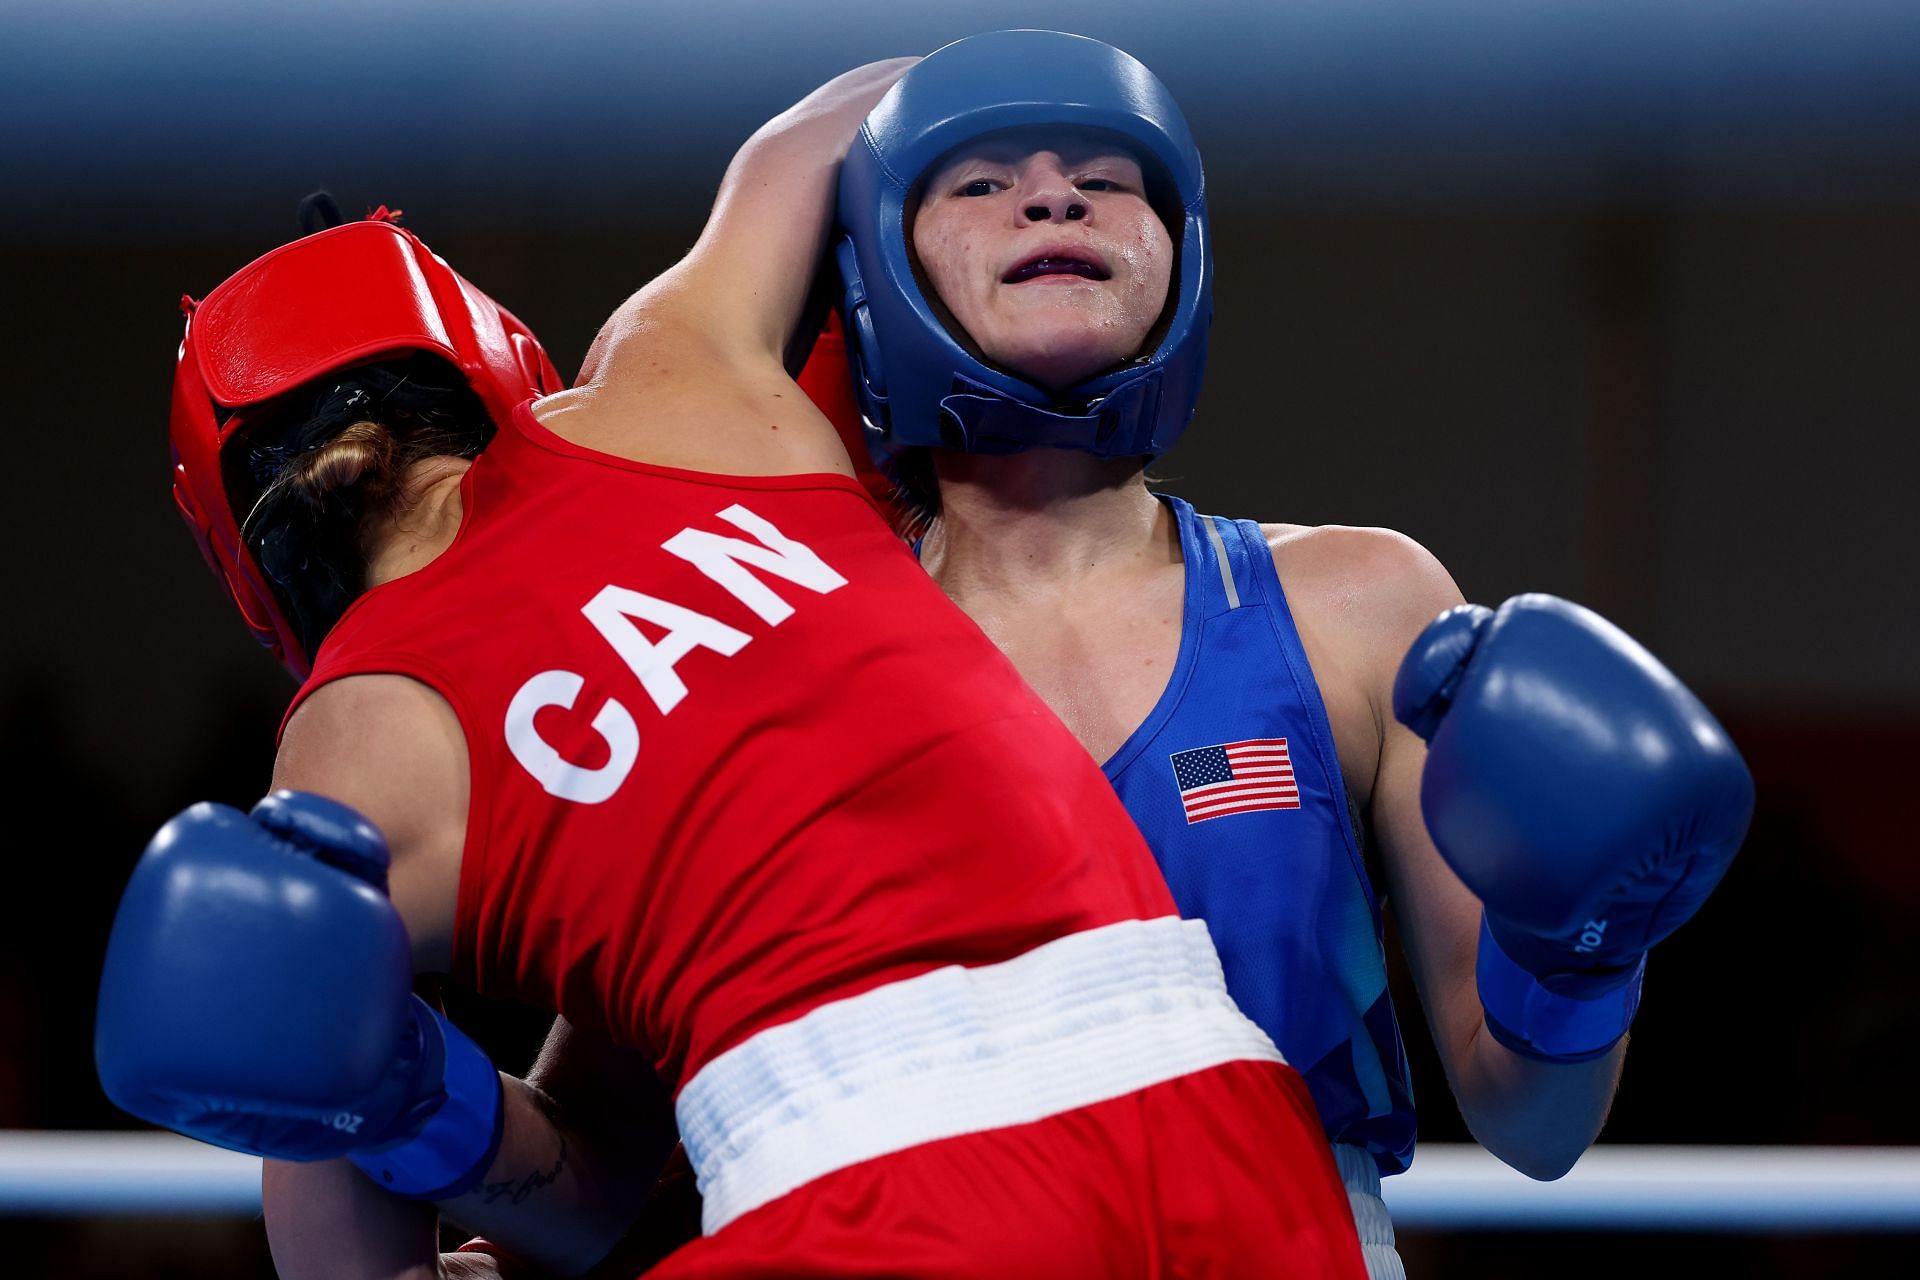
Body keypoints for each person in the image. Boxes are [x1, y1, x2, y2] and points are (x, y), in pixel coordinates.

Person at [94, 60, 1370, 1278]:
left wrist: (419, 1106)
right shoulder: (675, 378)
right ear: (493, 369)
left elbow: (379, 1230)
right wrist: (1051, 127)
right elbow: (843, 117)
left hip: (874, 1181)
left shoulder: (355, 746)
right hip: (1228, 1121)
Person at [830, 31, 1755, 1280]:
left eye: (1106, 179)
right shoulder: (793, 633)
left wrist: (1579, 954)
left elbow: (1533, 1127)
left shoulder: (1358, 604)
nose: (1053, 194)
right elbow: (624, 1114)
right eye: (982, 182)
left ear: (1181, 252)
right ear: (883, 261)